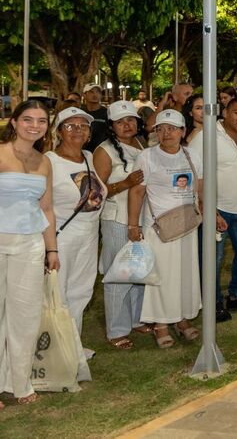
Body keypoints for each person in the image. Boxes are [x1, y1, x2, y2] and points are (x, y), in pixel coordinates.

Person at [128, 109, 218, 348]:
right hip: (159, 229)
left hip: (186, 226)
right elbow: (137, 191)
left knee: (186, 274)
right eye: (161, 128)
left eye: (172, 128)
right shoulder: (146, 156)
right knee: (161, 276)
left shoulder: (192, 155)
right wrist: (132, 224)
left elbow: (200, 187)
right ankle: (160, 325)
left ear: (183, 131)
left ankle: (182, 319)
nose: (167, 133)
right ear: (155, 131)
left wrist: (211, 213)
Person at [0, 100, 60, 407]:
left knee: (25, 315)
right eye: (28, 119)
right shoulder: (0, 153)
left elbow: (47, 208)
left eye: (41, 120)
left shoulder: (44, 161)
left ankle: (19, 382)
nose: (34, 125)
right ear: (14, 122)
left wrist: (52, 248)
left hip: (30, 245)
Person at [190, 98, 237, 320]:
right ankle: (212, 303)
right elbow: (196, 175)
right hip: (217, 209)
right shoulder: (206, 136)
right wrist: (208, 208)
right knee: (213, 258)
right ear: (225, 113)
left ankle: (236, 295)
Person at [46, 107, 107, 342]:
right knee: (58, 294)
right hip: (63, 238)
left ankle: (73, 347)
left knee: (81, 292)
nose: (78, 131)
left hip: (89, 236)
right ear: (59, 131)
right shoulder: (49, 162)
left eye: (83, 126)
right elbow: (43, 206)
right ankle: (55, 352)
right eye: (70, 126)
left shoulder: (89, 158)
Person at [94, 101, 147, 349]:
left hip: (141, 219)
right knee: (119, 274)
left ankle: (136, 319)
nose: (128, 125)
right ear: (111, 126)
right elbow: (97, 191)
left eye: (131, 120)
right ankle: (116, 329)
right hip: (116, 219)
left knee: (138, 270)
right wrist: (125, 184)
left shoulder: (140, 144)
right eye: (121, 121)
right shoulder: (104, 151)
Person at [80, 83, 110, 152]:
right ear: (84, 95)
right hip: (82, 152)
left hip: (103, 152)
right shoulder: (80, 113)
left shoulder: (108, 113)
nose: (95, 94)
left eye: (98, 92)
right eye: (91, 92)